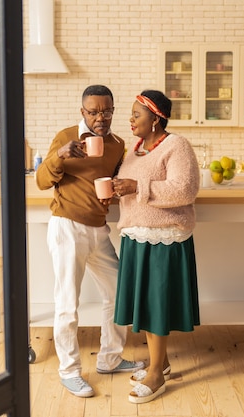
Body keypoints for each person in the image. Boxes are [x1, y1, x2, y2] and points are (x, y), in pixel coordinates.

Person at [35, 85, 144, 398]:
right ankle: (69, 372)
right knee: (68, 303)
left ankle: (110, 359)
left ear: (112, 110)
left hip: (97, 230)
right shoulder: (66, 137)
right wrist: (60, 155)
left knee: (118, 291)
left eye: (106, 111)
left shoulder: (117, 144)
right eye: (94, 112)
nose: (101, 117)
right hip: (67, 227)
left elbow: (109, 178)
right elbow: (42, 181)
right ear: (83, 112)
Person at [112, 89, 201, 404]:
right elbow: (133, 186)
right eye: (132, 114)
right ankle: (159, 362)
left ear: (155, 119)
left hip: (164, 238)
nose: (131, 119)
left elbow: (184, 191)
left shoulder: (176, 146)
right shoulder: (135, 149)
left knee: (155, 306)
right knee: (146, 306)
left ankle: (156, 375)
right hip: (137, 237)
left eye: (137, 114)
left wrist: (136, 187)